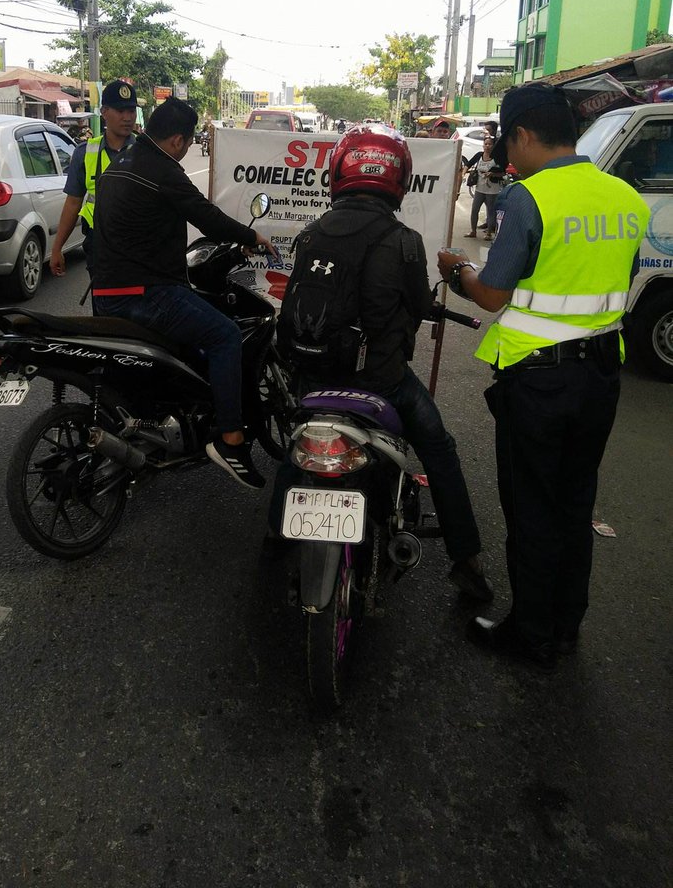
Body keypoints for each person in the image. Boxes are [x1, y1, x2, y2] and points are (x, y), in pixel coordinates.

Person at [437, 84, 649, 669]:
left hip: (540, 381)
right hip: (602, 374)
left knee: (532, 506)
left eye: (509, 141)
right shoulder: (626, 197)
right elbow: (618, 280)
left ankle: (530, 634)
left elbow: (492, 295)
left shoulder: (529, 199)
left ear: (525, 135)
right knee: (575, 503)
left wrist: (457, 271)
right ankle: (564, 623)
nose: (508, 154)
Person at [271, 123, 493, 602]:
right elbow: (415, 306)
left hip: (314, 380)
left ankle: (274, 537)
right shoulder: (406, 241)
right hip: (380, 383)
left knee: (297, 449)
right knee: (438, 447)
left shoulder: (310, 234)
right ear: (399, 179)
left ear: (339, 173)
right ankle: (467, 561)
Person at [90, 97, 279, 490]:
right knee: (225, 335)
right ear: (177, 139)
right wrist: (251, 235)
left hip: (105, 294)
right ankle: (231, 440)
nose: (189, 148)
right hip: (147, 294)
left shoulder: (119, 165)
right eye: (190, 141)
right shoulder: (163, 169)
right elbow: (204, 214)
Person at [50, 80, 138, 280]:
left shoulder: (146, 151)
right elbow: (73, 203)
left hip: (137, 247)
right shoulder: (85, 152)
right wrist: (57, 248)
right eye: (120, 110)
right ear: (104, 112)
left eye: (131, 111)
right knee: (103, 307)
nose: (127, 117)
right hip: (99, 248)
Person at [465, 135, 504, 239]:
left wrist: (492, 174)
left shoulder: (497, 158)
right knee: (474, 210)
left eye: (489, 144)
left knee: (491, 211)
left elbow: (502, 173)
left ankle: (489, 233)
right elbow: (469, 163)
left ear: (493, 146)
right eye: (485, 144)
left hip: (492, 190)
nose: (487, 146)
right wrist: (463, 172)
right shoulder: (479, 155)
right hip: (479, 188)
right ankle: (473, 231)